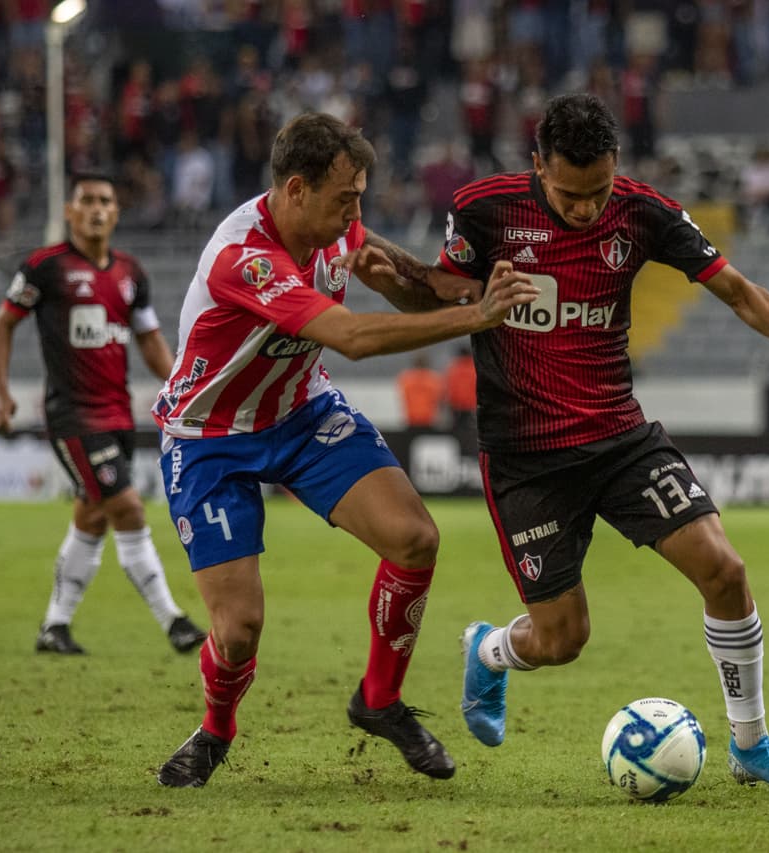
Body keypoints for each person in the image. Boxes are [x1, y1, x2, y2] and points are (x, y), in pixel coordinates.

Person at [438, 93, 769, 796]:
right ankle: (489, 649)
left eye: (600, 190)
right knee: (561, 639)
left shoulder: (643, 211)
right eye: (571, 193)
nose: (589, 208)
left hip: (620, 436)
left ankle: (753, 745)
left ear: (618, 166)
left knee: (724, 570)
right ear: (538, 166)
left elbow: (737, 288)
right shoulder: (486, 209)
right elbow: (438, 292)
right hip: (528, 458)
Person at [150, 112, 538, 788]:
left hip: (301, 412)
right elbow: (353, 337)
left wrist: (465, 287)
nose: (357, 212)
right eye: (345, 197)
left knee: (415, 538)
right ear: (295, 189)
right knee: (239, 628)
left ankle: (380, 700)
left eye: (360, 196)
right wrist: (476, 317)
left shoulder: (335, 228)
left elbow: (413, 286)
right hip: (210, 437)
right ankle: (215, 730)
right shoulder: (245, 257)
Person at [0, 172, 208, 656]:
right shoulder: (46, 267)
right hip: (72, 417)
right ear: (70, 211)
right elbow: (4, 323)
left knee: (92, 518)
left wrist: (182, 387)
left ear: (117, 212)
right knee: (127, 507)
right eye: (86, 200)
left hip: (117, 413)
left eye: (105, 200)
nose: (96, 209)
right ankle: (174, 621)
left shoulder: (130, 273)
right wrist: (0, 391)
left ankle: (55, 627)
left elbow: (149, 339)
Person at [396, 353, 445, 428]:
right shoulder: (434, 378)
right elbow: (440, 399)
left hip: (411, 417)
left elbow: (403, 396)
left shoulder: (405, 378)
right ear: (428, 364)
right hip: (429, 418)